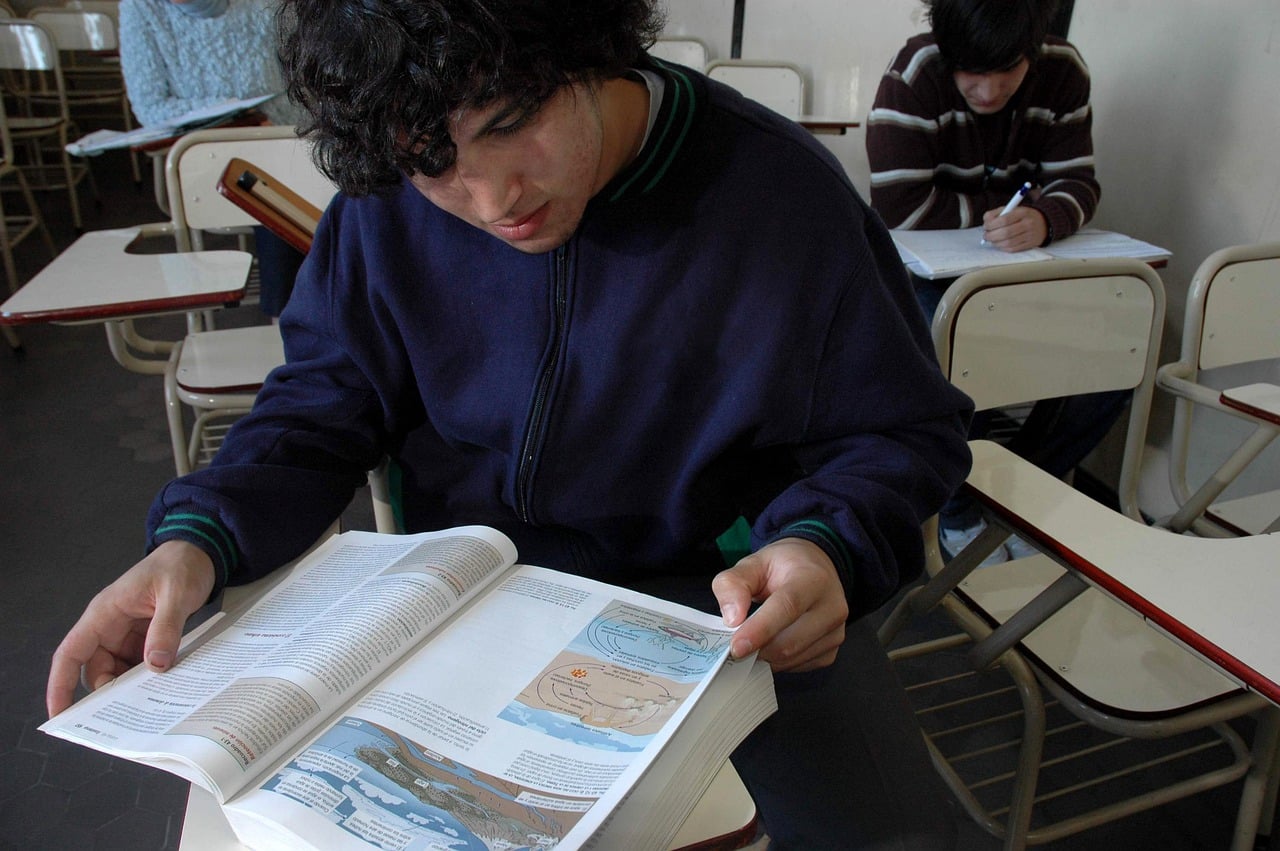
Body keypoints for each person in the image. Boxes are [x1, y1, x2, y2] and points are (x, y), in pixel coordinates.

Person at [50, 1, 975, 847]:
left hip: (722, 601)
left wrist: (825, 542)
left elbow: (901, 431)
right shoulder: (384, 205)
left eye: (512, 124)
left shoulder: (781, 198)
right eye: (433, 161)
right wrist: (199, 538)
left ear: (596, 50)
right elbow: (322, 400)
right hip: (464, 598)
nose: (494, 201)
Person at [866, 0, 1123, 562]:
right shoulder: (914, 74)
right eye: (970, 73)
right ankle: (958, 505)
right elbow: (899, 208)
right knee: (959, 352)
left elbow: (1079, 183)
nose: (987, 91)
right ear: (946, 53)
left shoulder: (1063, 69)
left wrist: (1045, 218)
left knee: (1123, 342)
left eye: (1007, 71)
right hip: (933, 274)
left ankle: (1016, 496)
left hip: (1022, 267)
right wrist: (1006, 210)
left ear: (1033, 51)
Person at [118, 0, 307, 316]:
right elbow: (150, 106)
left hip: (284, 134)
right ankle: (287, 316)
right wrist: (235, 112)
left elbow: (304, 74)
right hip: (210, 148)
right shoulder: (141, 7)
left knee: (313, 179)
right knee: (273, 190)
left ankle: (305, 313)